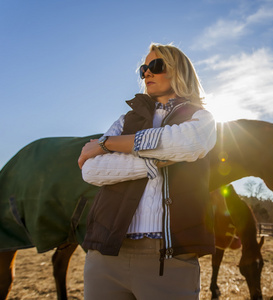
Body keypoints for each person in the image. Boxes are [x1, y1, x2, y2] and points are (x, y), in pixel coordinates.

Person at [78, 43, 217, 300]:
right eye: (144, 68)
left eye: (156, 66)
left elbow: (188, 144)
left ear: (180, 71)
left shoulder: (202, 118)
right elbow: (92, 170)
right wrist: (157, 161)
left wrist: (108, 144)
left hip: (169, 261)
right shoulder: (124, 120)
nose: (147, 74)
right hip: (105, 256)